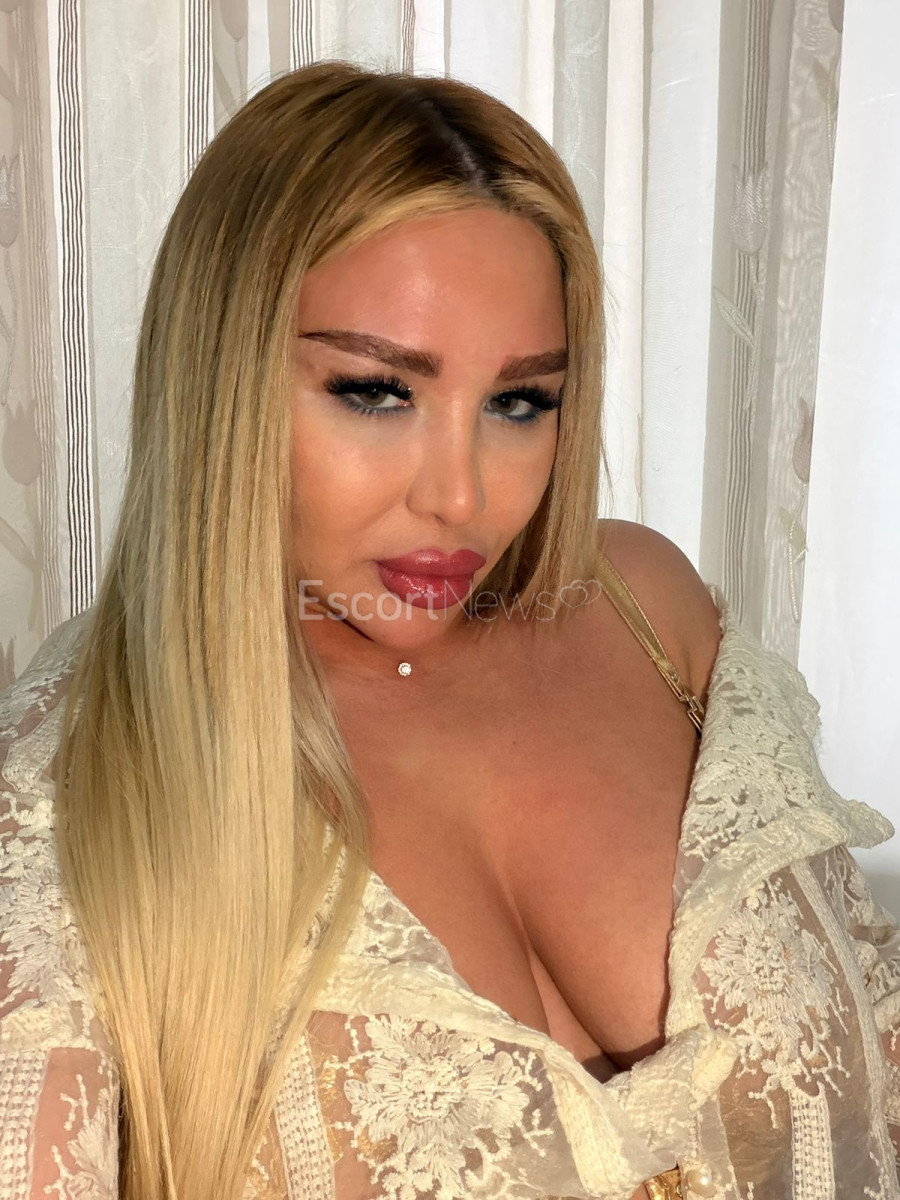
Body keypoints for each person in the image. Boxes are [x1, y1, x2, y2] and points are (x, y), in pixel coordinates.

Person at [0, 59, 898, 1200]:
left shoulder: (645, 610)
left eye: (521, 402)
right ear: (223, 374)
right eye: (377, 392)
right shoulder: (74, 798)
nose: (462, 497)